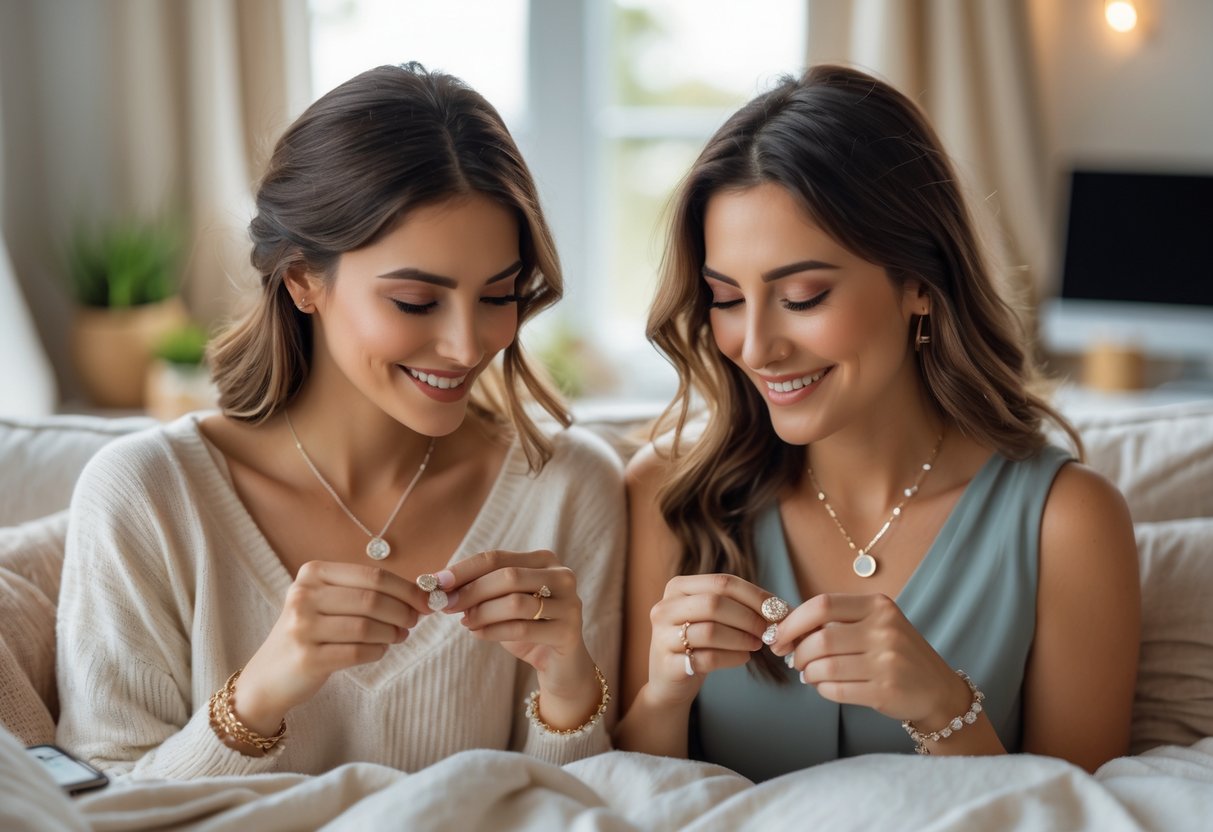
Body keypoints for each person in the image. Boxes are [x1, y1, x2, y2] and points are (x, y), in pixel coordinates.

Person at [55, 63, 624, 779]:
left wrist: (568, 686)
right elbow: (97, 807)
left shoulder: (570, 488)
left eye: (498, 295)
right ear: (302, 280)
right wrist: (258, 695)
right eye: (417, 302)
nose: (467, 344)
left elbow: (587, 803)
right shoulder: (144, 494)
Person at [615, 65, 1139, 780]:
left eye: (802, 296)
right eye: (725, 298)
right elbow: (623, 795)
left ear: (918, 284)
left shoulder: (1068, 522)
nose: (756, 345)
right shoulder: (666, 497)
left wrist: (943, 709)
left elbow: (1082, 812)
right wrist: (664, 695)